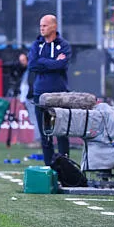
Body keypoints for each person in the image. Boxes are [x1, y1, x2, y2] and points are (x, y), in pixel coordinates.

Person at [28, 14, 71, 165]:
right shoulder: (36, 45)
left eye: (45, 25)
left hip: (60, 95)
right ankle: (49, 169)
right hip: (40, 95)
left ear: (54, 26)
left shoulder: (64, 45)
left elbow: (62, 65)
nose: (41, 28)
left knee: (61, 134)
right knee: (45, 135)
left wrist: (43, 63)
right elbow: (32, 65)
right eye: (40, 25)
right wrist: (53, 62)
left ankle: (65, 170)